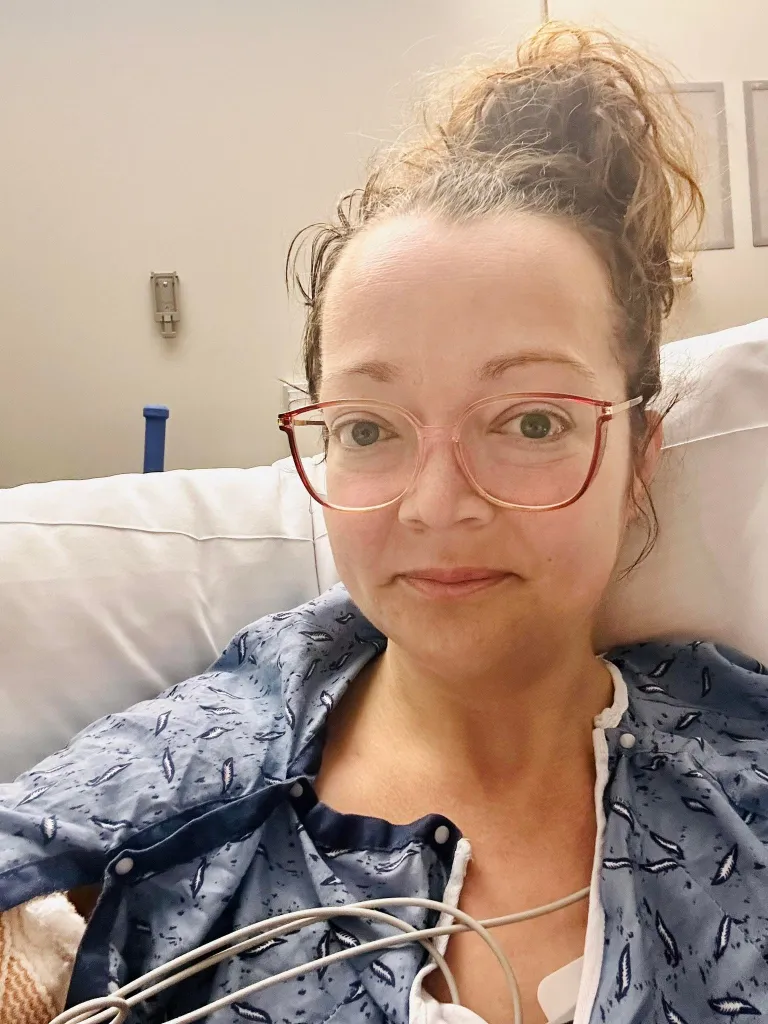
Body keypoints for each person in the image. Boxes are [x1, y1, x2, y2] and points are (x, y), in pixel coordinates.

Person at [1, 21, 767, 1024]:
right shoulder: (204, 765)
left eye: (531, 422)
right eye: (369, 428)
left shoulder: (741, 769)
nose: (437, 505)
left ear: (640, 460)